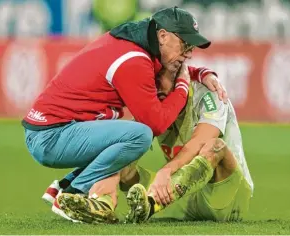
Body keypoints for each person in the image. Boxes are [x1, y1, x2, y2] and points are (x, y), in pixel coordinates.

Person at [23, 6, 227, 222]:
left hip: (53, 130)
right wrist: (183, 88)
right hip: (51, 137)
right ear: (163, 36)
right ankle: (74, 191)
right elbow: (157, 123)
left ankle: (62, 187)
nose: (188, 53)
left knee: (126, 134)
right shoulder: (133, 60)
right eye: (185, 44)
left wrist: (199, 73)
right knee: (139, 135)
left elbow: (161, 70)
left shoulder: (134, 44)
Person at [122, 64, 254, 223]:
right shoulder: (156, 102)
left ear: (180, 78)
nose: (155, 86)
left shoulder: (209, 93)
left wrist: (166, 171)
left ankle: (150, 205)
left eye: (160, 78)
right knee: (120, 159)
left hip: (227, 196)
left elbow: (201, 140)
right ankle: (97, 204)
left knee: (215, 145)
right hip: (185, 194)